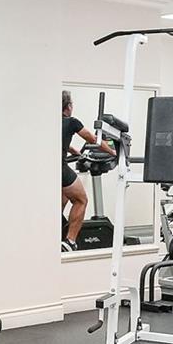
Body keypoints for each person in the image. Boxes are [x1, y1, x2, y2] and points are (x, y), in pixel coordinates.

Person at [61, 90, 104, 249]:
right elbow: (93, 139)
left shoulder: (49, 122)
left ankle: (55, 233)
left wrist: (73, 150)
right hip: (60, 168)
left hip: (47, 168)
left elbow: (60, 142)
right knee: (81, 200)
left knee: (64, 198)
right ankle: (70, 241)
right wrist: (113, 152)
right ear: (68, 106)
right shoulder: (72, 122)